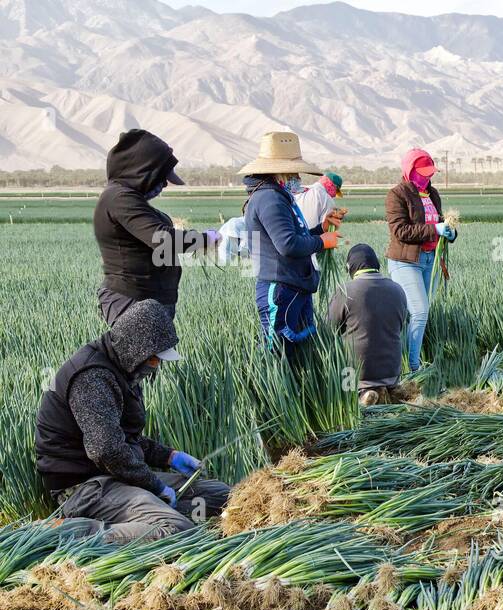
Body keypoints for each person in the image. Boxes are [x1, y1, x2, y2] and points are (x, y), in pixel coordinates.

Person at [34, 300, 230, 544]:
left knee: (221, 495)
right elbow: (106, 450)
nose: (157, 365)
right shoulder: (92, 378)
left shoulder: (122, 370)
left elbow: (124, 439)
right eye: (154, 358)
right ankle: (66, 533)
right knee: (178, 529)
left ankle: (144, 521)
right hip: (85, 488)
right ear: (136, 348)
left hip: (114, 475)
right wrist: (155, 486)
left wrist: (169, 456)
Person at [93, 129, 219, 325]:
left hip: (148, 301)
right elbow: (163, 240)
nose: (165, 185)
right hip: (132, 301)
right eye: (161, 178)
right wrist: (205, 239)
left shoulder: (129, 199)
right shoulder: (120, 199)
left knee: (152, 357)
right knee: (141, 356)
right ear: (143, 172)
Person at [239, 131, 343, 360]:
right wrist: (321, 242)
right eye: (293, 172)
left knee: (298, 352)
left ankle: (296, 392)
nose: (297, 177)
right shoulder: (269, 199)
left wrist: (320, 230)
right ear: (279, 171)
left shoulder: (278, 196)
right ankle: (269, 395)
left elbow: (294, 235)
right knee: (276, 354)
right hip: (281, 288)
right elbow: (287, 244)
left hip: (293, 286)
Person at [386, 148, 457, 372]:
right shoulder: (397, 194)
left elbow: (441, 221)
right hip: (406, 261)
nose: (427, 177)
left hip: (430, 260)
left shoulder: (432, 194)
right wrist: (434, 228)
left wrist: (450, 232)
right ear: (410, 170)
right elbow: (401, 231)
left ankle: (404, 361)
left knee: (417, 314)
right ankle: (413, 368)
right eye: (422, 173)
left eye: (430, 173)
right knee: (419, 311)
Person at [329, 244, 410, 406]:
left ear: (350, 267)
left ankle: (358, 397)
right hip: (392, 369)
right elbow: (402, 325)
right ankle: (387, 390)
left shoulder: (346, 291)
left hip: (357, 373)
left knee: (344, 373)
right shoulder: (398, 290)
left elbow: (327, 330)